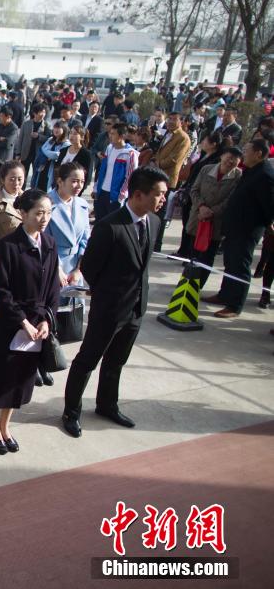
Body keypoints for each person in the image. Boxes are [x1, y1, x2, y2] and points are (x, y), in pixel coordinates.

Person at [62, 167, 169, 437]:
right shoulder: (110, 226)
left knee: (116, 361)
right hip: (109, 309)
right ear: (138, 194)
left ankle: (107, 404)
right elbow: (92, 268)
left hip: (136, 309)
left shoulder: (153, 222)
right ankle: (71, 411)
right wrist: (108, 295)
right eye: (158, 195)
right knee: (88, 360)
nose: (162, 200)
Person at [0, 189, 59, 454]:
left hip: (36, 325)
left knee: (19, 381)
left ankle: (7, 424)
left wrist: (46, 320)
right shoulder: (8, 247)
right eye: (38, 213)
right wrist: (23, 322)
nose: (44, 218)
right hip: (9, 324)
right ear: (23, 214)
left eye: (48, 213)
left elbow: (53, 288)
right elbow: (0, 289)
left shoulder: (50, 244)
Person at [205, 139, 274, 318]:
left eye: (247, 150)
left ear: (258, 153)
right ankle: (225, 294)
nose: (244, 153)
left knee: (240, 265)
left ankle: (235, 305)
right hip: (234, 226)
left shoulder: (265, 174)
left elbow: (270, 205)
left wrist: (269, 224)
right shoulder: (251, 171)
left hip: (247, 228)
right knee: (231, 262)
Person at [184, 147, 242, 287]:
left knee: (208, 256)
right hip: (197, 217)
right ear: (222, 156)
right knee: (193, 253)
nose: (231, 161)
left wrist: (211, 212)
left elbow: (231, 200)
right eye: (229, 157)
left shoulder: (238, 176)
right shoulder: (206, 169)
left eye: (235, 159)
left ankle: (197, 286)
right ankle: (186, 284)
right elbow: (194, 190)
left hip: (216, 221)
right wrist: (202, 207)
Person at [151, 111, 192, 251]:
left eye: (174, 119)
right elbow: (159, 152)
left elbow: (175, 159)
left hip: (168, 179)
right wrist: (155, 161)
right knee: (153, 210)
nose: (170, 122)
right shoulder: (167, 134)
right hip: (156, 176)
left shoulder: (183, 138)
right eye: (169, 119)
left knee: (161, 213)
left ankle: (157, 244)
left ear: (181, 122)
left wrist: (159, 163)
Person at [48, 162, 91, 291]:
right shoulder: (46, 203)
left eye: (82, 182)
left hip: (75, 269)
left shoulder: (82, 205)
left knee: (74, 308)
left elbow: (85, 240)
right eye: (74, 181)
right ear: (60, 181)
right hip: (52, 264)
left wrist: (79, 269)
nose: (79, 186)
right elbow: (43, 242)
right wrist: (57, 269)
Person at [93, 123, 138, 220]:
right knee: (99, 223)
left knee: (112, 225)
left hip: (115, 196)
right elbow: (102, 170)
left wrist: (121, 195)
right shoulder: (109, 148)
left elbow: (130, 176)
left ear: (122, 136)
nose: (110, 136)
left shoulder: (130, 154)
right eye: (110, 133)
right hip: (102, 192)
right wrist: (96, 187)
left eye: (113, 134)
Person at [0, 160, 25, 248]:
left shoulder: (29, 198)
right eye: (12, 179)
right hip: (6, 253)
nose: (16, 183)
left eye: (20, 179)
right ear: (2, 179)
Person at [33, 120, 69, 192]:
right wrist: (48, 154)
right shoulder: (50, 139)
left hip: (54, 170)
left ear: (64, 129)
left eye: (58, 128)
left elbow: (56, 155)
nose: (55, 130)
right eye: (55, 127)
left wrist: (46, 152)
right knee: (39, 188)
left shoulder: (66, 143)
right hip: (43, 167)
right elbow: (42, 149)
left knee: (50, 189)